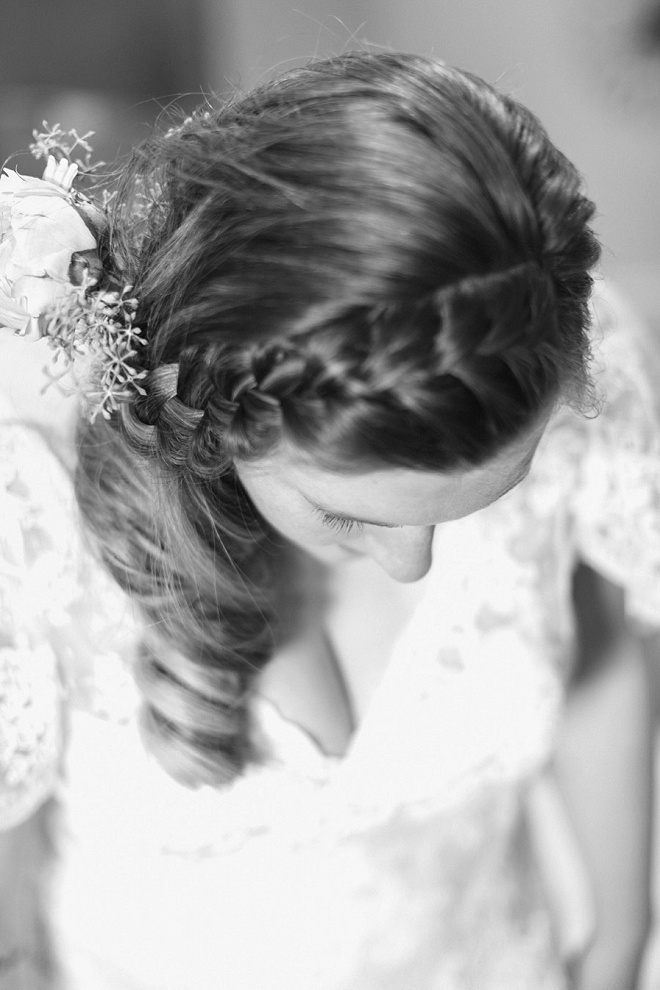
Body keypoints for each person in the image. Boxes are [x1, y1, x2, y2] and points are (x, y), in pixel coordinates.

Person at [0, 50, 657, 990]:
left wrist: (621, 940)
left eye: (488, 496)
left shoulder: (568, 403)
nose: (413, 569)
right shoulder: (28, 519)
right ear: (222, 418)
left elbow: (592, 662)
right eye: (350, 516)